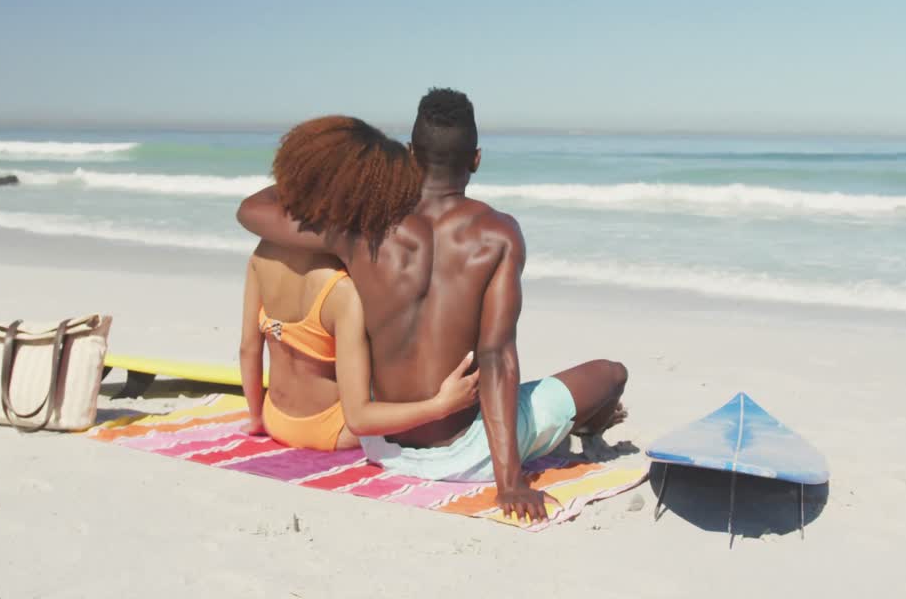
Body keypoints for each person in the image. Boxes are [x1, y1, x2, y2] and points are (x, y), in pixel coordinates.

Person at [237, 89, 627, 523]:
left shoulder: (361, 225)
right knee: (610, 375)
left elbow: (252, 209)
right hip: (469, 452)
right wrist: (510, 482)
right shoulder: (498, 235)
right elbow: (498, 358)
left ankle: (579, 426)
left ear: (409, 154)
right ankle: (591, 426)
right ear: (476, 159)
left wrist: (338, 171)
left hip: (383, 444)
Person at [238, 115, 480, 450]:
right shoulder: (342, 291)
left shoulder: (262, 254)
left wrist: (256, 419)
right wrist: (441, 405)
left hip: (275, 417)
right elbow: (360, 419)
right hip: (332, 432)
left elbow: (249, 348)